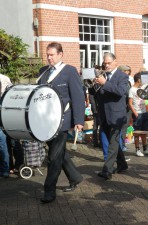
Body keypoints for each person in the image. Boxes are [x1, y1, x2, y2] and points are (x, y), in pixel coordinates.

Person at [37, 42, 85, 203]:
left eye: (52, 55)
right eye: (47, 54)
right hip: (46, 122)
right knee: (60, 153)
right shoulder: (42, 71)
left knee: (54, 157)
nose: (49, 58)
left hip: (62, 121)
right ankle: (75, 177)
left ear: (60, 54)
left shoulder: (70, 71)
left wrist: (79, 120)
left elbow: (78, 97)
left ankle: (49, 191)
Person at [95, 53, 128, 180]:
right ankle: (122, 164)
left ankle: (107, 170)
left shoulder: (123, 76)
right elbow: (99, 95)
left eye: (109, 63)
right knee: (112, 141)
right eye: (105, 63)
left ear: (115, 62)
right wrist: (94, 86)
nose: (106, 65)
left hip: (117, 115)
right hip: (104, 114)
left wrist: (105, 83)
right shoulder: (103, 75)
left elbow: (120, 92)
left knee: (113, 143)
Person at [128, 72, 148, 156]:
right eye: (142, 79)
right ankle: (137, 149)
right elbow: (130, 103)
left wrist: (147, 110)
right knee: (137, 132)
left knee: (144, 132)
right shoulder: (132, 90)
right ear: (138, 80)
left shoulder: (141, 89)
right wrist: (135, 114)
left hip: (144, 112)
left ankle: (145, 148)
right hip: (138, 113)